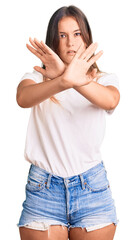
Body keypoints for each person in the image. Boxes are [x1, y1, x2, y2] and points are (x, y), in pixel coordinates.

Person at [16, 5, 120, 240]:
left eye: (76, 34)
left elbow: (111, 100)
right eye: (62, 35)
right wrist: (63, 80)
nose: (70, 42)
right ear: (54, 41)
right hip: (43, 189)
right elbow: (23, 98)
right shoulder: (36, 77)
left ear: (86, 37)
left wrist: (67, 74)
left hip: (91, 188)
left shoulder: (104, 80)